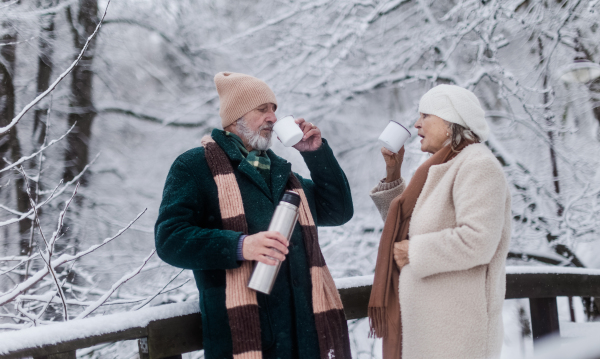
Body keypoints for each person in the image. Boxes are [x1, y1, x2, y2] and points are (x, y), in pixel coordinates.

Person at [155, 72, 353, 359]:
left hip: (306, 339)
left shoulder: (283, 174)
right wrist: (240, 246)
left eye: (274, 109)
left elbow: (338, 210)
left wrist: (316, 154)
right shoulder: (194, 167)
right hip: (246, 339)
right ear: (236, 118)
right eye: (262, 109)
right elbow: (170, 240)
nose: (273, 117)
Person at [368, 84, 512, 359]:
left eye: (425, 116)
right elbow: (402, 228)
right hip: (432, 325)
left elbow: (478, 241)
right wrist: (393, 172)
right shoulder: (440, 167)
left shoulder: (478, 165)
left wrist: (414, 251)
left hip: (457, 330)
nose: (416, 124)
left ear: (450, 122)